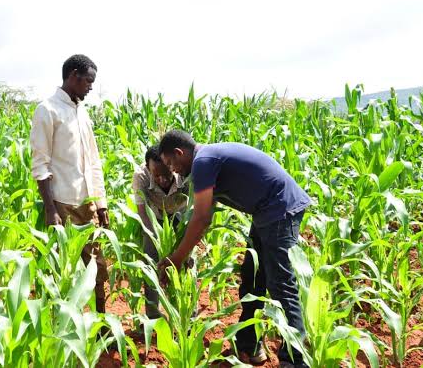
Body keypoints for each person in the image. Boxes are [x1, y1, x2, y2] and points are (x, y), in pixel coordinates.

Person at [156, 130, 310, 368]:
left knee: (280, 283)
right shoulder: (206, 159)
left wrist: (176, 258)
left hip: (280, 209)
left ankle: (295, 359)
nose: (172, 170)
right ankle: (249, 341)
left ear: (179, 153)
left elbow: (202, 218)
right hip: (265, 212)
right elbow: (200, 212)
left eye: (170, 163)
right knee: (252, 274)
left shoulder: (202, 162)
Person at [30, 54, 110, 313]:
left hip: (87, 203)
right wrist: (50, 208)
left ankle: (101, 324)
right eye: (88, 81)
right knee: (60, 269)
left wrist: (101, 203)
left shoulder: (82, 112)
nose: (90, 87)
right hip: (62, 203)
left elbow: (93, 161)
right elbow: (40, 163)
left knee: (98, 266)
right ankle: (57, 324)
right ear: (73, 75)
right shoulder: (48, 110)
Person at [132, 145, 189, 319]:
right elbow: (142, 212)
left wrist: (183, 251)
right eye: (156, 175)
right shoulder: (140, 176)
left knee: (187, 262)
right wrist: (157, 243)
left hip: (181, 217)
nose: (163, 179)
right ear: (149, 169)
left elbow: (191, 213)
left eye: (167, 174)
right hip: (154, 218)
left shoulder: (184, 174)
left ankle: (187, 316)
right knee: (151, 263)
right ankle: (153, 316)